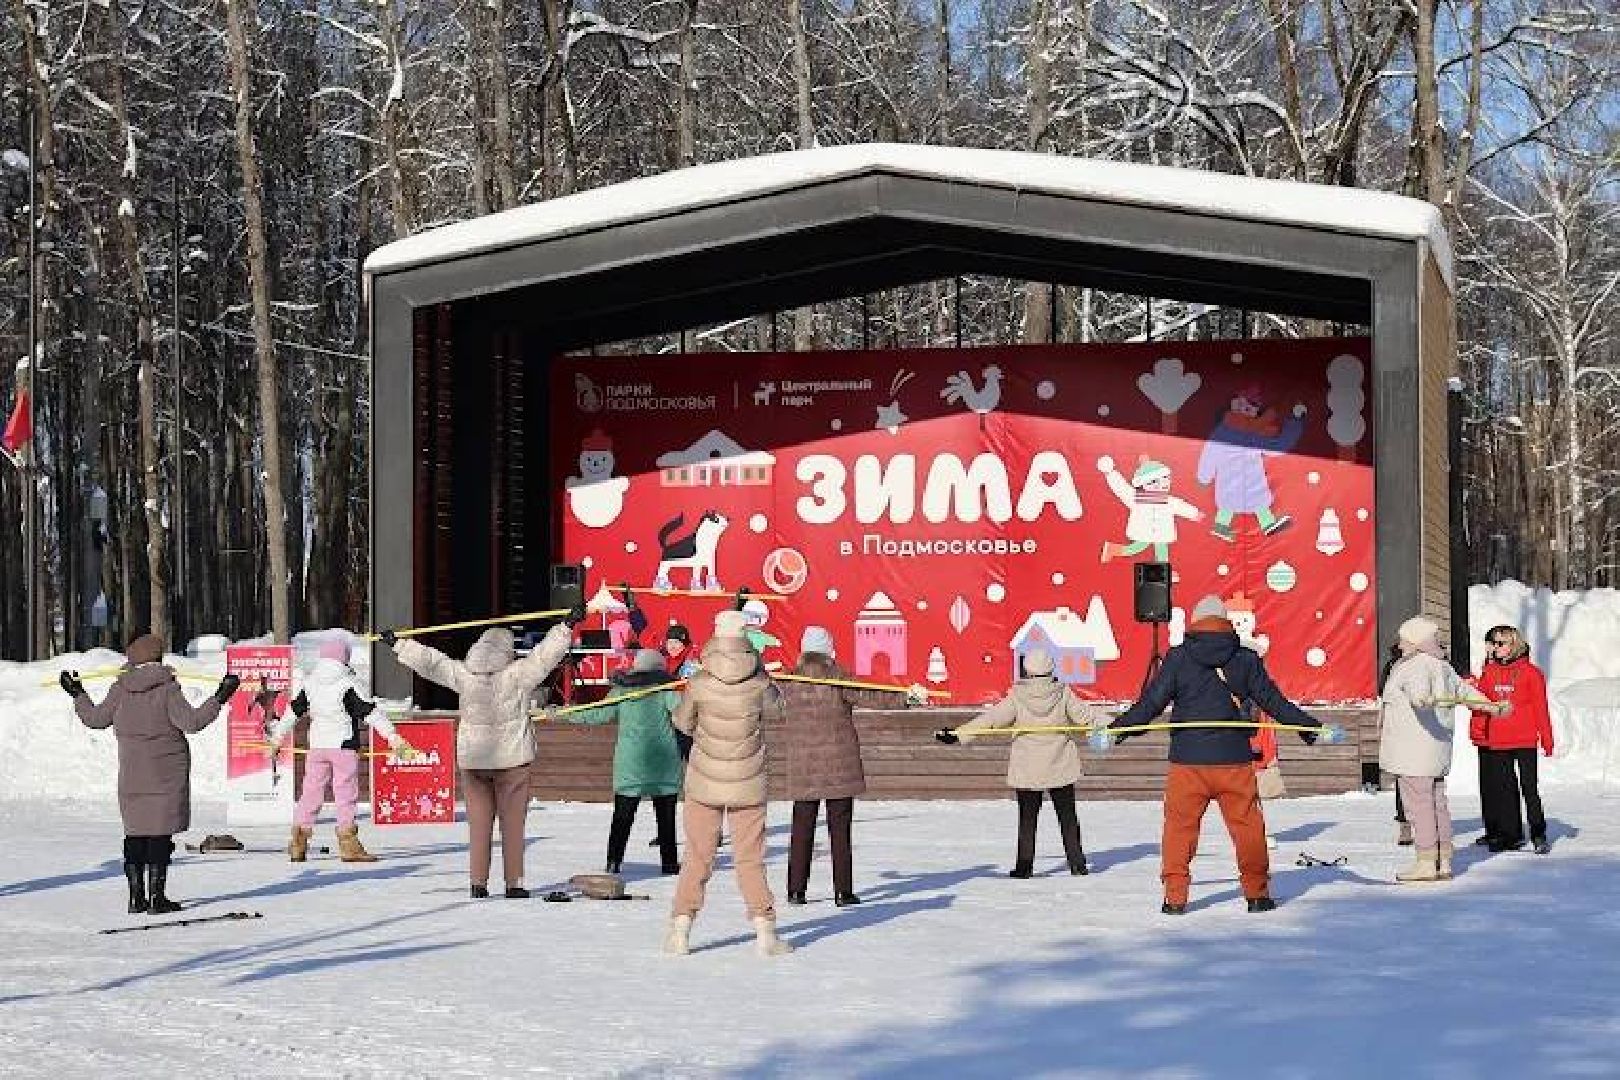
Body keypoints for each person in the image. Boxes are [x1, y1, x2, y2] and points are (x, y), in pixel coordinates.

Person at [1108, 596, 1326, 913]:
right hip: (1234, 761)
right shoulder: (1245, 658)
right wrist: (1309, 727)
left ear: (1195, 622)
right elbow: (1272, 701)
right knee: (1248, 827)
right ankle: (1257, 894)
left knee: (1179, 830)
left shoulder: (1179, 657)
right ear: (1226, 622)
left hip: (1188, 762)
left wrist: (1119, 729)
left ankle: (1175, 898)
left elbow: (1151, 703)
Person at [387, 607, 582, 898]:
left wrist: (398, 644)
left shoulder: (464, 674)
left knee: (478, 826)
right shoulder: (517, 674)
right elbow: (545, 656)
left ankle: (478, 883)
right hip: (512, 761)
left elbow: (432, 663)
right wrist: (565, 627)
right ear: (507, 650)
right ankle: (513, 883)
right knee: (513, 827)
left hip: (474, 761)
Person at [59, 634, 239, 915]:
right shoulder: (167, 690)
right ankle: (157, 898)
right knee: (159, 837)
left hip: (132, 776)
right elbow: (191, 722)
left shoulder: (120, 689)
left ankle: (136, 898)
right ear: (158, 658)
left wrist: (78, 694)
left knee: (135, 836)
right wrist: (221, 696)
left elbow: (95, 719)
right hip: (166, 776)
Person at [664, 609, 791, 957]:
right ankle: (765, 933)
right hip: (748, 782)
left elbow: (683, 723)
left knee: (697, 858)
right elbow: (780, 712)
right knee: (750, 859)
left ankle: (680, 929)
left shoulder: (700, 682)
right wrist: (763, 673)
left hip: (704, 782)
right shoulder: (759, 682)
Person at [937, 647, 1099, 878]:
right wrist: (1120, 727)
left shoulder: (1018, 696)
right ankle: (1077, 863)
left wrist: (958, 734)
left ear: (1027, 669)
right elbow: (1088, 717)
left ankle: (1024, 867)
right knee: (1067, 816)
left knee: (1027, 818)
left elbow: (991, 720)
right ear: (1051, 668)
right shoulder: (1063, 693)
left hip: (1028, 765)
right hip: (1060, 762)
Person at [779, 626, 909, 907]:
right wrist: (904, 697)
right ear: (828, 649)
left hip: (804, 766)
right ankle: (843, 891)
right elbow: (873, 696)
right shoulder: (838, 676)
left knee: (801, 828)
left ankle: (796, 890)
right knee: (840, 829)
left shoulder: (789, 680)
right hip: (840, 764)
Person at [269, 636, 414, 864]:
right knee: (345, 795)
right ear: (344, 658)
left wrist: (276, 738)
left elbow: (292, 712)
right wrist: (394, 738)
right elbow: (370, 712)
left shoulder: (310, 681)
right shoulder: (348, 683)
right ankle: (348, 845)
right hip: (343, 746)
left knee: (311, 793)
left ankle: (298, 840)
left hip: (317, 747)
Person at [1378, 616, 1502, 883]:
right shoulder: (1442, 666)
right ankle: (1443, 859)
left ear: (1415, 641)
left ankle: (1425, 863)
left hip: (1414, 750)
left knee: (1419, 806)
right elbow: (1465, 691)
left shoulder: (1416, 665)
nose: (1400, 643)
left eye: (1404, 638)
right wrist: (1491, 705)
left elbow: (1419, 693)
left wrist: (1421, 700)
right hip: (1434, 750)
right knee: (1437, 804)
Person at [559, 648, 684, 876]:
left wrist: (567, 713)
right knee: (666, 818)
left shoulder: (622, 691)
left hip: (631, 762)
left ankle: (614, 861)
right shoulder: (665, 691)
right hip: (663, 762)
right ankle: (669, 863)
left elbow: (598, 714)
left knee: (622, 817)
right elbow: (686, 716)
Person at [1469, 625, 1554, 854]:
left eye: (1501, 643)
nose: (1495, 647)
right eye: (1493, 643)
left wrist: (1547, 738)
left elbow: (1540, 707)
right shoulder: (1490, 670)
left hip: (1524, 739)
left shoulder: (1531, 672)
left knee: (1529, 787)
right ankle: (1508, 834)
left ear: (1513, 645)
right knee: (1504, 788)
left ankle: (1538, 832)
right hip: (1499, 739)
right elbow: (1481, 698)